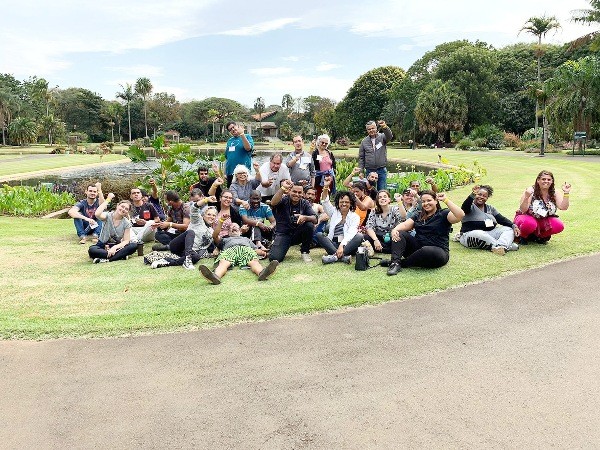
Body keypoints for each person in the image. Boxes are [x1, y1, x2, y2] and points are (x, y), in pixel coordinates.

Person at [386, 190, 465, 275]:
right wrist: (394, 230)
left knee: (427, 250)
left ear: (435, 201)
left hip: (437, 252)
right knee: (400, 233)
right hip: (417, 249)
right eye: (423, 201)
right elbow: (405, 225)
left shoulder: (443, 214)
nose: (426, 203)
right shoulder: (418, 215)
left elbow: (460, 215)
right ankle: (395, 263)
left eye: (429, 200)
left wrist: (446, 200)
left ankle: (402, 263)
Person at [198, 222, 279, 284]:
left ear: (240, 231)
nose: (233, 227)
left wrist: (262, 252)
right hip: (230, 250)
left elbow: (255, 249)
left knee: (254, 262)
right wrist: (217, 250)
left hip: (246, 250)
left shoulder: (246, 239)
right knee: (223, 263)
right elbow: (216, 239)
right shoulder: (225, 239)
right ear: (228, 233)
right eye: (230, 228)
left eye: (236, 227)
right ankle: (215, 276)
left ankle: (262, 273)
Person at [151, 200, 218, 270]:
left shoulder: (211, 231)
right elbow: (194, 208)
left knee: (196, 257)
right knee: (190, 232)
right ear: (203, 215)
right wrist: (206, 199)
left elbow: (214, 244)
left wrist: (217, 249)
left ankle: (167, 261)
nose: (211, 217)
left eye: (214, 215)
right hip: (179, 246)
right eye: (209, 214)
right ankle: (187, 259)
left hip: (187, 252)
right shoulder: (198, 221)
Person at [458, 185, 520, 255]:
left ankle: (502, 246)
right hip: (470, 235)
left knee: (508, 229)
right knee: (479, 233)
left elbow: (501, 219)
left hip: (490, 233)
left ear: (487, 198)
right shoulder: (470, 206)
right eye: (479, 194)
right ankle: (504, 246)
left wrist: (513, 226)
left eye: (484, 196)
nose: (481, 197)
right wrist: (472, 194)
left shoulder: (490, 208)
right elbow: (464, 208)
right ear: (475, 195)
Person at [514, 170, 571, 244]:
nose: (546, 181)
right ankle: (523, 236)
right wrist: (526, 197)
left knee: (559, 225)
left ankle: (539, 236)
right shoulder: (531, 191)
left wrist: (566, 193)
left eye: (549, 179)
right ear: (538, 180)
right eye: (543, 179)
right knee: (530, 223)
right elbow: (523, 209)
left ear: (552, 181)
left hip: (544, 219)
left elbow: (563, 207)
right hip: (527, 217)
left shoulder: (554, 192)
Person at [268, 180, 317, 263]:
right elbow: (273, 202)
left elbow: (315, 219)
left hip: (298, 234)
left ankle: (305, 252)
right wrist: (283, 188)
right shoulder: (283, 200)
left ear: (303, 194)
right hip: (283, 234)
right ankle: (276, 244)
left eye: (299, 192)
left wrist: (305, 217)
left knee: (309, 225)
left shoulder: (305, 203)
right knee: (274, 258)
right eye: (294, 191)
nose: (297, 194)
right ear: (289, 191)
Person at [317, 178, 363, 264]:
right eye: (341, 202)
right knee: (319, 235)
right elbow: (325, 202)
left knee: (359, 236)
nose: (344, 204)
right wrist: (326, 186)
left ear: (351, 203)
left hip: (348, 245)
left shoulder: (355, 217)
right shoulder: (334, 212)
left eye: (347, 202)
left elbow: (351, 233)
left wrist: (342, 245)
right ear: (338, 202)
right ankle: (342, 257)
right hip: (333, 243)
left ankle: (334, 257)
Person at [88, 193, 137, 263]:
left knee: (133, 246)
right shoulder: (107, 216)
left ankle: (106, 259)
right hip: (102, 245)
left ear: (127, 212)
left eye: (126, 209)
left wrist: (114, 247)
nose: (123, 209)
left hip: (116, 246)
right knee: (92, 250)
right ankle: (120, 256)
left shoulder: (126, 223)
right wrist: (108, 199)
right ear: (117, 206)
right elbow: (97, 214)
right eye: (122, 206)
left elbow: (126, 241)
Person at [365, 190, 405, 254]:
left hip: (392, 236)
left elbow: (403, 217)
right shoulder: (374, 211)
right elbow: (369, 227)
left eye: (385, 196)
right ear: (377, 200)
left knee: (399, 237)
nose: (382, 198)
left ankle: (382, 249)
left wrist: (399, 201)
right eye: (380, 197)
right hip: (379, 237)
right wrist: (375, 240)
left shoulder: (394, 209)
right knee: (366, 237)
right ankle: (380, 247)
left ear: (389, 199)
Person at [358, 120, 393, 191]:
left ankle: (380, 202)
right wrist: (361, 171)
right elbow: (361, 158)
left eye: (373, 128)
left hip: (381, 170)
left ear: (376, 128)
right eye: (369, 129)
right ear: (367, 130)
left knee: (382, 191)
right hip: (369, 171)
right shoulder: (364, 142)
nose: (371, 130)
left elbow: (390, 136)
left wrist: (384, 127)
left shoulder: (382, 137)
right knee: (370, 191)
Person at [224, 121, 254, 187]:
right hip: (230, 173)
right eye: (230, 129)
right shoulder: (230, 141)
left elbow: (248, 148)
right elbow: (227, 158)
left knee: (244, 193)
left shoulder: (247, 137)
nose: (233, 129)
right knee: (231, 194)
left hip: (242, 173)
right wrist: (225, 173)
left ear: (237, 126)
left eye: (233, 127)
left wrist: (242, 134)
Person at [312, 134, 336, 200]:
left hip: (329, 178)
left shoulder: (329, 153)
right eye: (322, 142)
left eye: (326, 143)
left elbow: (334, 165)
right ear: (318, 142)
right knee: (317, 196)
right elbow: (312, 165)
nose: (324, 144)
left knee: (326, 197)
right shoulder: (315, 153)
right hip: (318, 179)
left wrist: (333, 174)